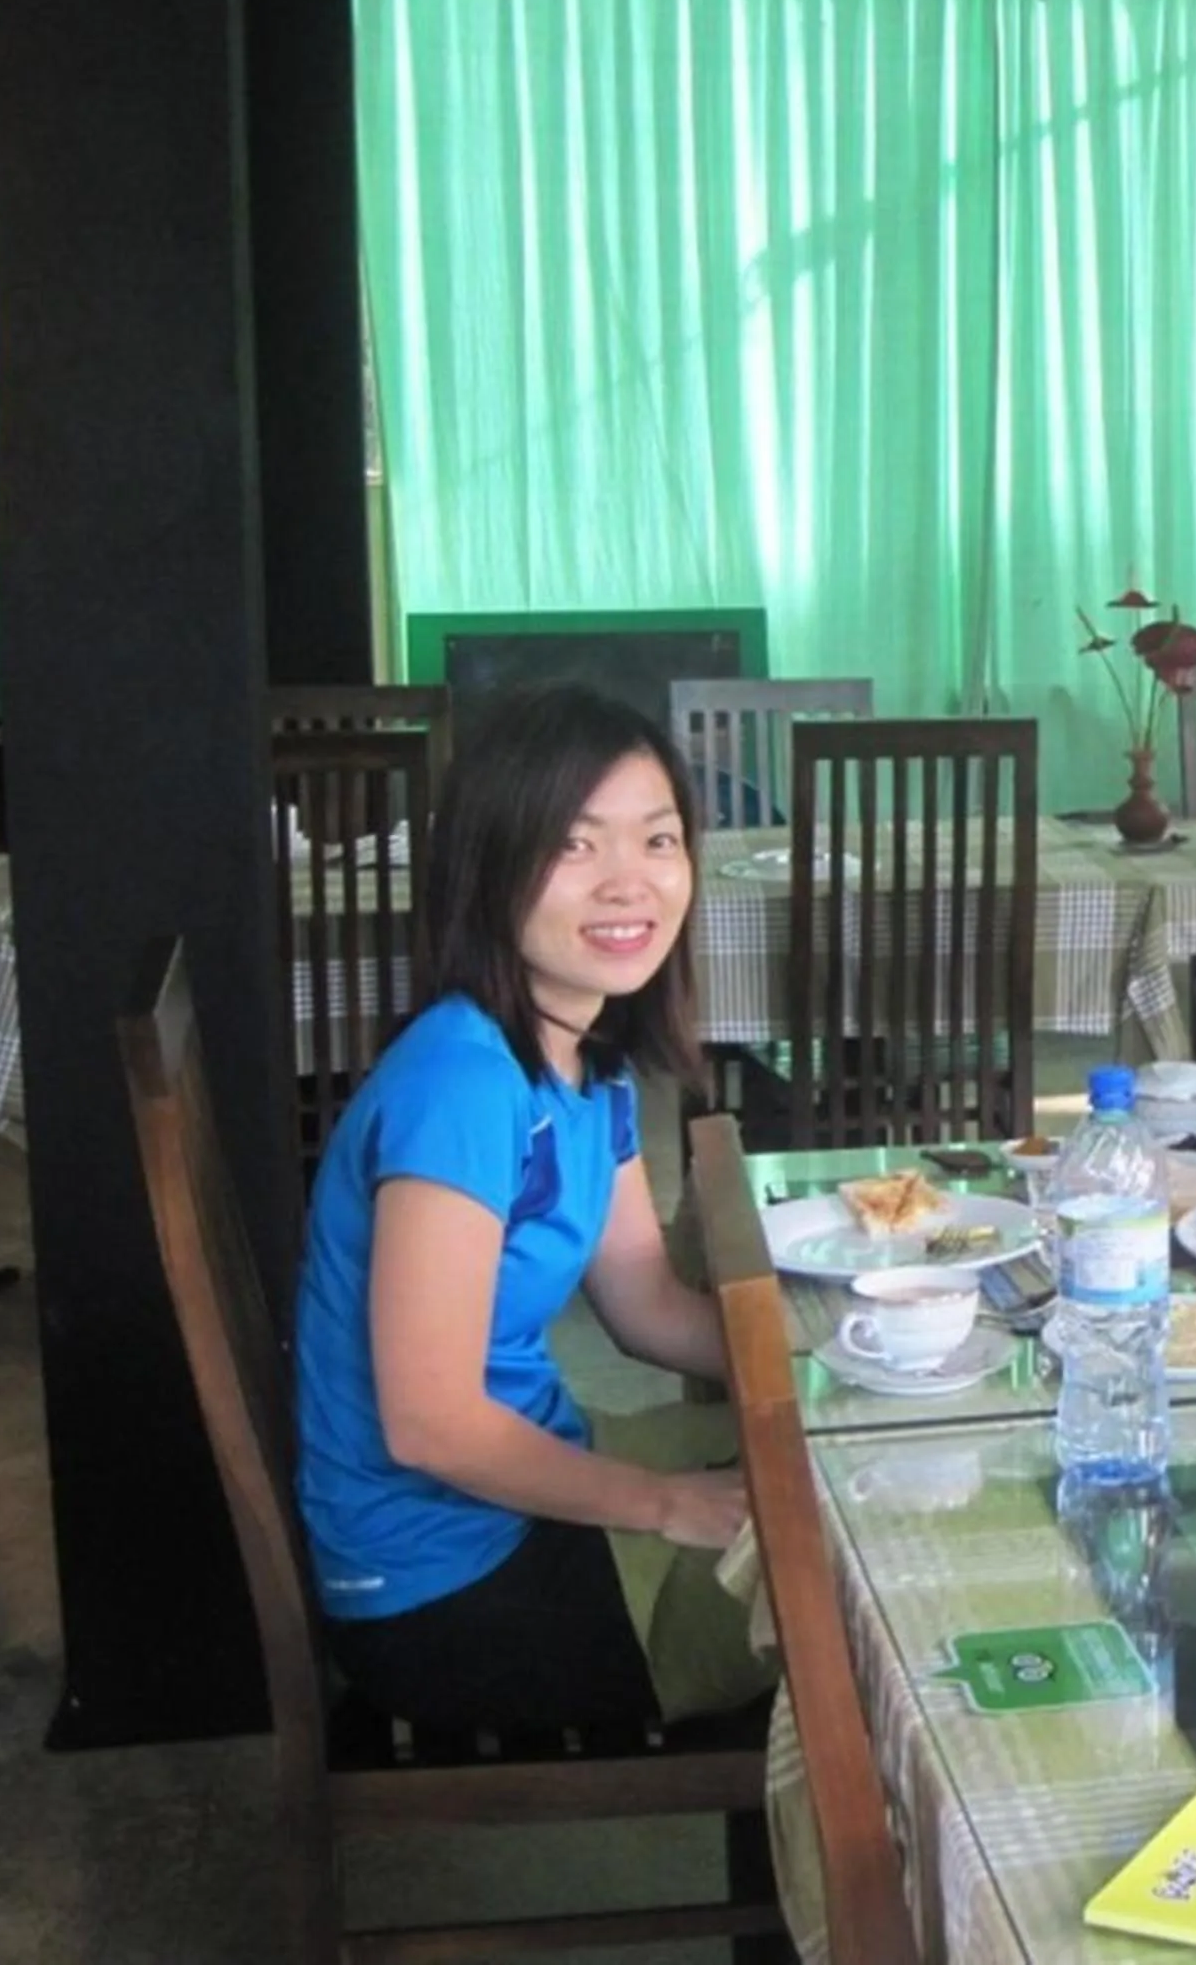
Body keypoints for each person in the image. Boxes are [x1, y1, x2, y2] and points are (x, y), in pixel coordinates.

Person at [292, 684, 767, 1733]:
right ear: (490, 866)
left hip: (520, 1501)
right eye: (574, 846)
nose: (628, 883)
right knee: (849, 1604)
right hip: (437, 1589)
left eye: (658, 840)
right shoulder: (461, 1086)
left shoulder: (582, 1055)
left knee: (831, 1503)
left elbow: (645, 1303)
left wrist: (834, 1357)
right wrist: (664, 1504)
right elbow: (428, 1426)